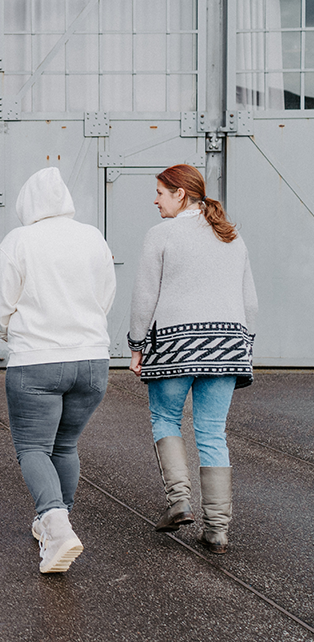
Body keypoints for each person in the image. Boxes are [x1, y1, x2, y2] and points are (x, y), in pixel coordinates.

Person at [0, 167, 116, 574]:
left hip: (36, 361)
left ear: (27, 203)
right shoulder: (92, 237)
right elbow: (106, 295)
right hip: (92, 360)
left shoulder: (19, 241)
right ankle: (56, 521)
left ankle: (56, 526)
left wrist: (12, 333)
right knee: (65, 446)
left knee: (33, 448)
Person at [128, 164, 257, 555]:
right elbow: (249, 301)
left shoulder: (161, 235)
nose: (155, 200)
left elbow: (144, 295)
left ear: (180, 194)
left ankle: (180, 502)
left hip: (175, 345)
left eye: (160, 193)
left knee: (165, 417)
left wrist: (136, 345)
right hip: (227, 346)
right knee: (212, 431)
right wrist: (243, 344)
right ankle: (217, 530)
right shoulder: (230, 236)